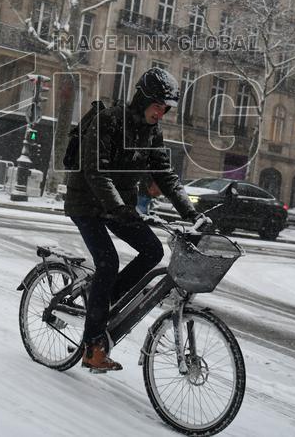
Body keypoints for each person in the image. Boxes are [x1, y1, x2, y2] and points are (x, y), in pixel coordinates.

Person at [64, 67, 198, 372]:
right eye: (157, 106)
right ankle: (92, 346)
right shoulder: (108, 121)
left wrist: (191, 213)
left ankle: (104, 298)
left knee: (153, 250)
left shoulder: (152, 133)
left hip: (118, 206)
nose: (160, 113)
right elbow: (95, 172)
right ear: (143, 100)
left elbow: (165, 176)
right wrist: (118, 207)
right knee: (108, 262)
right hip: (86, 202)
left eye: (165, 109)